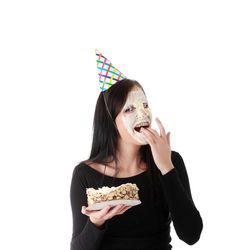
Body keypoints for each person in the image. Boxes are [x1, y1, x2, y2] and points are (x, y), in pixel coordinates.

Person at [70, 78, 203, 250]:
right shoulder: (85, 174)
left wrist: (166, 168)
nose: (143, 114)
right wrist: (96, 222)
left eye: (145, 105)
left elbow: (191, 235)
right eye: (130, 109)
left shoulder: (170, 161)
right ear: (110, 121)